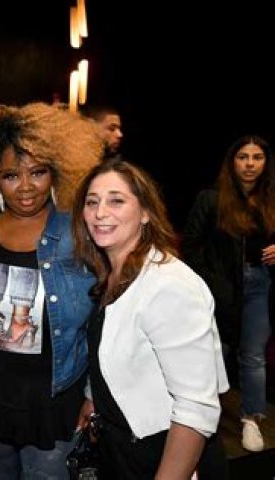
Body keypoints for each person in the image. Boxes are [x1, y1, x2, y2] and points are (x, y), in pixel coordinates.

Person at [0, 102, 101, 479]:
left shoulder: (77, 231)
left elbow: (101, 319)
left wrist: (92, 394)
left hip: (55, 403)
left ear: (57, 171)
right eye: (11, 176)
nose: (26, 186)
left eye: (38, 172)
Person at [72, 159, 229, 479]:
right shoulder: (111, 274)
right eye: (92, 202)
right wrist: (93, 398)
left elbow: (196, 410)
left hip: (167, 455)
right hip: (122, 448)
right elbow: (114, 347)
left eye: (116, 200)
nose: (100, 212)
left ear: (145, 212)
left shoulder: (169, 286)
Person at [182, 134, 275, 452]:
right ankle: (201, 421)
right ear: (232, 162)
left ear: (266, 163)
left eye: (257, 157)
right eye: (243, 157)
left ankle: (251, 420)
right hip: (218, 288)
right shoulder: (211, 198)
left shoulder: (271, 199)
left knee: (253, 355)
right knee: (214, 353)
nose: (250, 164)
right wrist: (212, 284)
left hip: (260, 285)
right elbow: (190, 248)